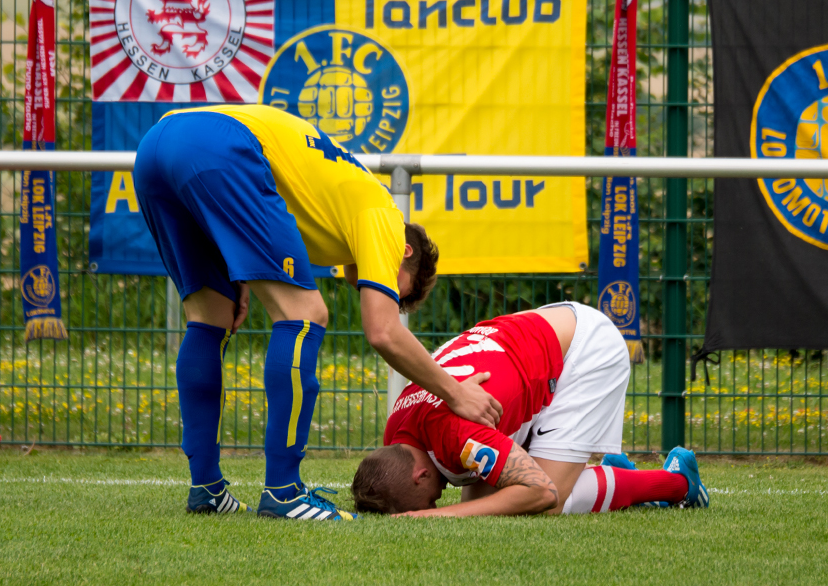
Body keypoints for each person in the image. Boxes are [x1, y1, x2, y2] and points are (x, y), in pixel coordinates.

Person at [133, 104, 502, 521]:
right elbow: (382, 331)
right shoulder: (385, 216)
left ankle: (207, 489)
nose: (382, 290)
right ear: (405, 252)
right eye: (398, 291)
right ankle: (285, 493)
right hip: (220, 144)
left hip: (157, 146)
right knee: (306, 314)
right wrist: (455, 391)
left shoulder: (332, 215)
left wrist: (239, 278)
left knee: (209, 317)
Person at [351, 302, 709, 516]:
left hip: (583, 349)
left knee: (545, 502)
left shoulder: (459, 436)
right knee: (493, 500)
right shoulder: (397, 431)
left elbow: (541, 491)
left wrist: (439, 517)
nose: (434, 503)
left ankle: (678, 482)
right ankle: (606, 472)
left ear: (419, 476)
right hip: (539, 330)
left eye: (425, 503)